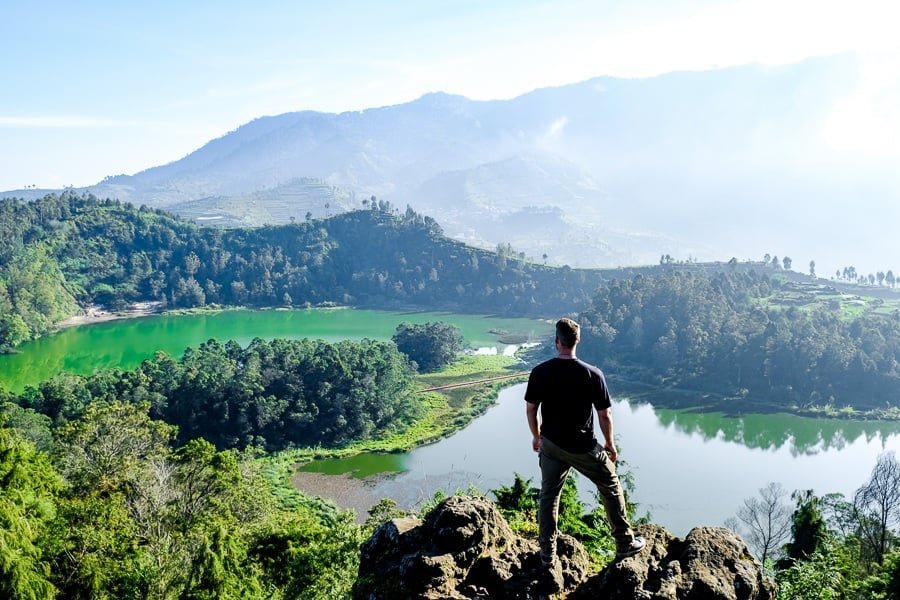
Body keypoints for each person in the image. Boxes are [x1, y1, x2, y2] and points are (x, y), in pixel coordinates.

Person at [525, 317, 645, 570]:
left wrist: (536, 436)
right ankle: (624, 543)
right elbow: (604, 414)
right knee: (610, 483)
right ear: (577, 341)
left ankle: (547, 554)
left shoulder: (540, 372)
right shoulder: (592, 374)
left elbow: (531, 409)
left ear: (556, 342)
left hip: (551, 444)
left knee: (549, 495)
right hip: (582, 446)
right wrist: (610, 444)